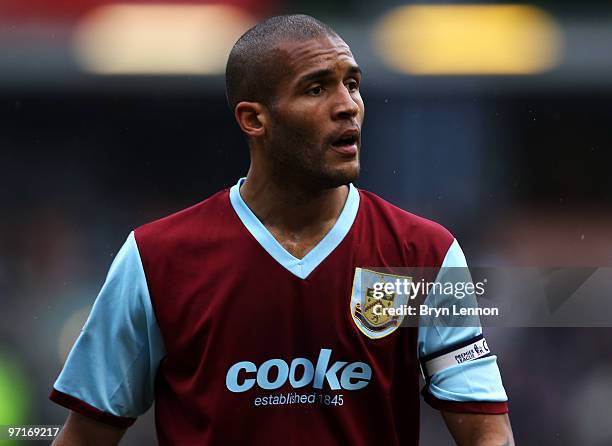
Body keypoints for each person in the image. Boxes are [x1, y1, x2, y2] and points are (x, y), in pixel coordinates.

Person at [50, 14, 513, 446]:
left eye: (352, 84)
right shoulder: (155, 259)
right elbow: (85, 435)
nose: (348, 106)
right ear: (255, 120)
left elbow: (488, 434)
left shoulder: (424, 253)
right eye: (316, 89)